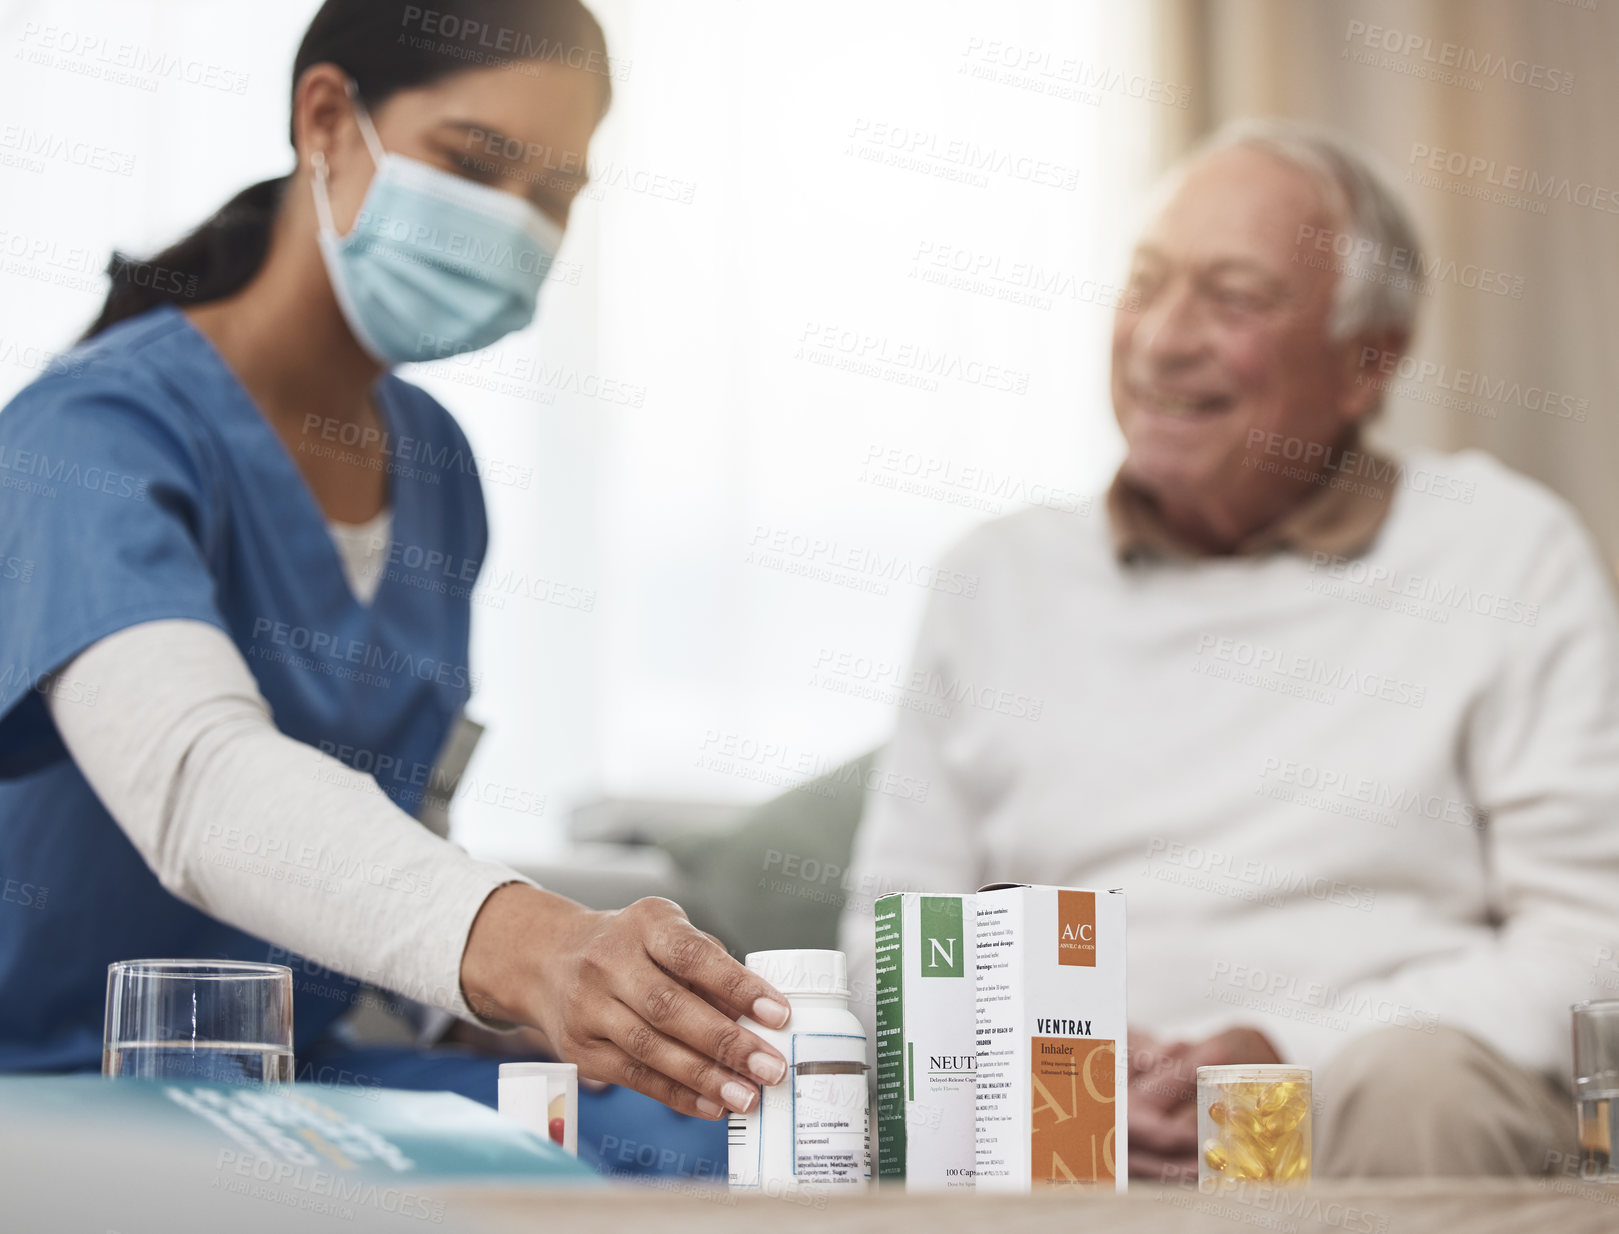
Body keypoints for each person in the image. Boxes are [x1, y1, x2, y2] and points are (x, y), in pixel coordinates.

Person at [0, 0, 789, 1179]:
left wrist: (541, 1015)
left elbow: (401, 821)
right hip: (57, 1071)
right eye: (474, 165)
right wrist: (530, 943)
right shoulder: (91, 434)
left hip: (306, 1068)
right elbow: (199, 780)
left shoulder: (434, 467)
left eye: (553, 197)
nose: (514, 226)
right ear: (326, 118)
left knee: (725, 1145)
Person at [838, 119, 1619, 1178]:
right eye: (1144, 282)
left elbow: (1588, 941)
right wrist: (1042, 1069)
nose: (1161, 338)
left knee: (1416, 1083)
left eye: (1232, 297)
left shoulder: (1504, 552)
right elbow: (891, 931)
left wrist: (1285, 1059)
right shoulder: (994, 576)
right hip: (1057, 1122)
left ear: (1366, 361)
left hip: (1368, 1111)